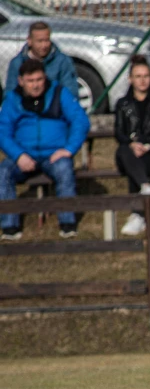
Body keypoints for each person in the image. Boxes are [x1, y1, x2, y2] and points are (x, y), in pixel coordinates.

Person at [0, 59, 90, 240]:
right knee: (3, 171)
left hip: (54, 155)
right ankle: (9, 226)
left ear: (45, 78)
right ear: (21, 81)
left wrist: (69, 149)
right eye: (30, 81)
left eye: (39, 80)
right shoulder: (12, 99)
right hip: (24, 156)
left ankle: (67, 223)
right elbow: (3, 131)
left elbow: (80, 121)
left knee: (65, 169)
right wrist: (18, 156)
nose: (35, 85)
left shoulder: (59, 93)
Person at [115, 56, 150, 236]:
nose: (142, 80)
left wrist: (148, 145)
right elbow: (119, 132)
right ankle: (145, 187)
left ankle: (137, 215)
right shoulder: (123, 104)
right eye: (138, 76)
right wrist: (133, 144)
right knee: (126, 151)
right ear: (130, 79)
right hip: (130, 152)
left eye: (146, 76)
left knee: (137, 162)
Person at [5, 22, 79, 100]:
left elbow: (71, 93)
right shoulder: (17, 63)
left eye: (47, 40)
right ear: (29, 41)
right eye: (39, 41)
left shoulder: (62, 61)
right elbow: (10, 94)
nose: (44, 45)